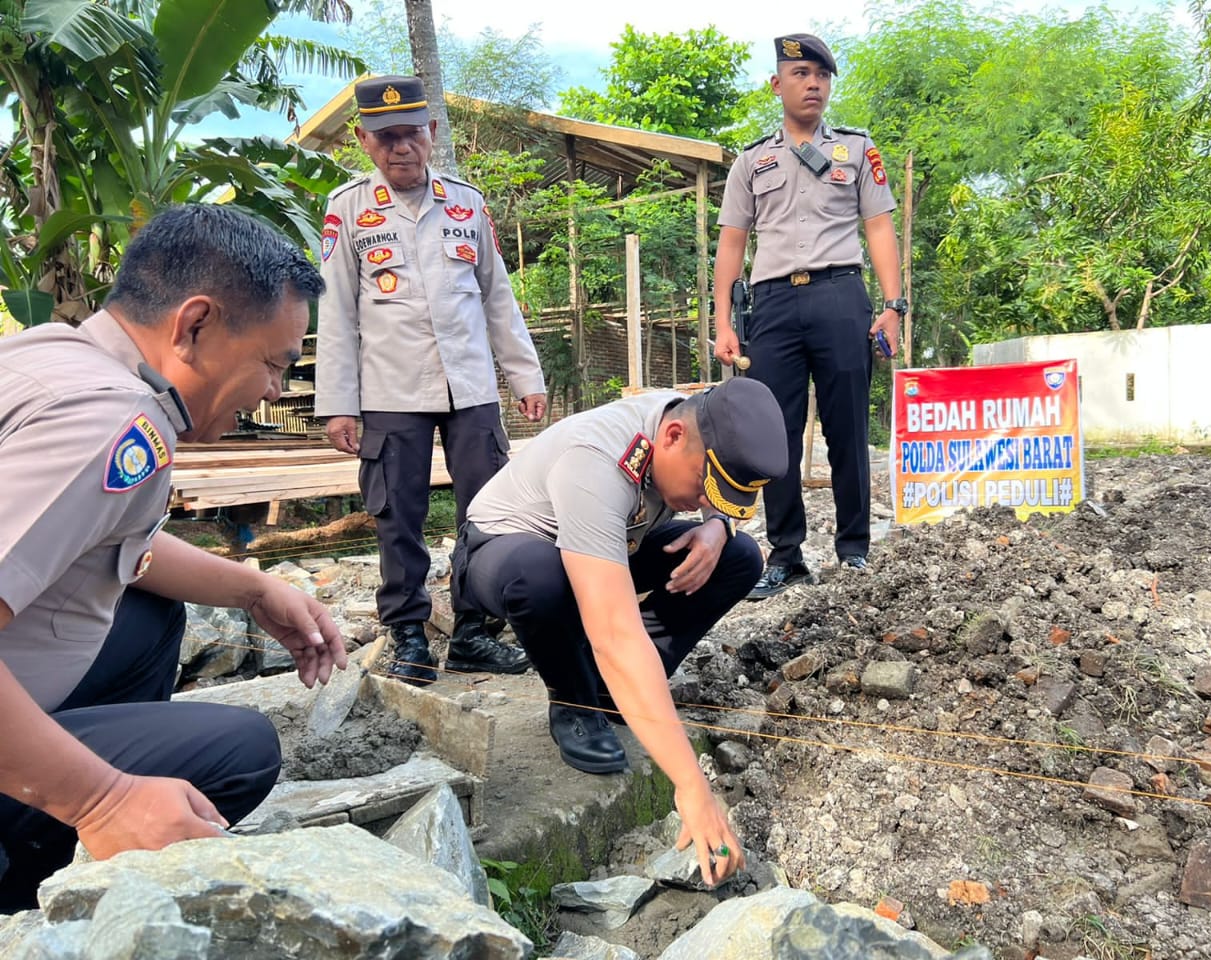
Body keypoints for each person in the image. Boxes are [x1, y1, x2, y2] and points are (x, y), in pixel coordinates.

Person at [0, 204, 349, 912]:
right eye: (273, 364)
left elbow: (100, 539)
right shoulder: (108, 423)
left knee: (149, 617)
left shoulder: (50, 355)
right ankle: (34, 889)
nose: (275, 392)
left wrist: (253, 591)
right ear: (193, 326)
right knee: (241, 751)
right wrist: (102, 798)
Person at [456, 378, 787, 886]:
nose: (701, 500)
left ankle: (618, 694)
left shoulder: (685, 423)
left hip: (608, 541)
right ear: (672, 437)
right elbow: (613, 631)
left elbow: (716, 493)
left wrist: (717, 526)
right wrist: (691, 785)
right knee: (542, 579)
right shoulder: (598, 463)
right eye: (702, 490)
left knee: (740, 556)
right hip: (506, 549)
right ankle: (576, 700)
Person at [316, 74, 546, 686]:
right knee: (398, 514)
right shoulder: (348, 211)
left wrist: (525, 376)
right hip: (390, 392)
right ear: (364, 141)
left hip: (470, 388)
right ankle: (410, 633)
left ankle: (474, 631)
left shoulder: (468, 204)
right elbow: (335, 312)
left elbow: (499, 300)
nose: (401, 148)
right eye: (386, 137)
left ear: (432, 133)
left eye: (411, 134)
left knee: (490, 510)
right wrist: (338, 405)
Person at [713, 33, 905, 599]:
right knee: (776, 434)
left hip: (840, 295)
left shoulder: (856, 149)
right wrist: (723, 322)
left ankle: (853, 551)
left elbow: (878, 227)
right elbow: (731, 242)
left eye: (822, 74)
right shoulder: (752, 160)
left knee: (848, 426)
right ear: (777, 84)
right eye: (800, 73)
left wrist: (892, 306)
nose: (813, 83)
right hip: (772, 305)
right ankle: (787, 554)